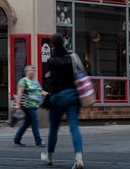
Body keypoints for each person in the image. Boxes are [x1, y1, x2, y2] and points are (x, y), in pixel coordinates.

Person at [43, 33, 84, 169]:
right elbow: (82, 73)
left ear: (52, 45)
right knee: (74, 127)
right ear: (64, 44)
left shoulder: (51, 61)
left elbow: (49, 82)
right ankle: (78, 158)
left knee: (53, 129)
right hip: (73, 95)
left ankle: (49, 156)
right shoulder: (71, 58)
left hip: (58, 97)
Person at [13, 65, 47, 147]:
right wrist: (17, 104)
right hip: (27, 106)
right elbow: (19, 93)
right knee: (35, 121)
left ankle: (16, 139)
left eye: (34, 70)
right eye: (31, 70)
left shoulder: (36, 82)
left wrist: (50, 95)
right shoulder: (23, 81)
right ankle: (38, 142)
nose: (33, 71)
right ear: (27, 71)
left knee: (26, 123)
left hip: (34, 105)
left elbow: (41, 91)